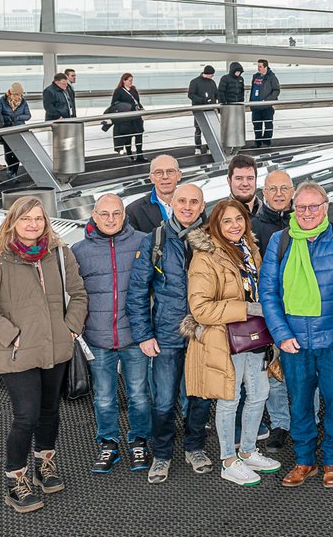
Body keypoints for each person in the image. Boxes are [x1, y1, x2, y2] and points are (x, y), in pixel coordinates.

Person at [0, 197, 87, 513]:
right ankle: (16, 481)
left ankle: (44, 465)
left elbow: (78, 294)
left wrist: (70, 328)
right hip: (17, 353)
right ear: (13, 221)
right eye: (26, 219)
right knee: (26, 416)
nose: (33, 224)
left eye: (38, 218)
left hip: (56, 349)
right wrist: (12, 336)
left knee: (50, 411)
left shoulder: (59, 254)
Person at [260, 182, 333, 488]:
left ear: (325, 207)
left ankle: (332, 460)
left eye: (313, 206)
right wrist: (281, 334)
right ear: (293, 209)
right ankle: (304, 460)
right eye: (301, 207)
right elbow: (268, 294)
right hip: (294, 343)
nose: (307, 213)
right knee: (299, 404)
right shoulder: (280, 241)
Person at [183, 199, 282, 486]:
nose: (234, 225)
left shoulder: (250, 250)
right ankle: (228, 460)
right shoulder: (206, 256)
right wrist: (247, 309)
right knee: (229, 399)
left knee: (259, 394)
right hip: (224, 340)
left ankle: (248, 451)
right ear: (216, 225)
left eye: (239, 219)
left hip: (255, 337)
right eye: (227, 221)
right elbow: (200, 308)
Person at [127, 183, 214, 484]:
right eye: (182, 201)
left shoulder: (213, 240)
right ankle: (162, 454)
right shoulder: (156, 240)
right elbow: (137, 291)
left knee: (200, 397)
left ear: (202, 206)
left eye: (194, 202)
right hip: (166, 334)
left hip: (204, 335)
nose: (188, 207)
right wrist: (143, 334)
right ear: (172, 204)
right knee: (163, 401)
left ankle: (195, 448)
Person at [73, 194, 151, 474]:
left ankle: (139, 440)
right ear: (94, 216)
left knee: (139, 394)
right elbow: (74, 294)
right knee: (104, 396)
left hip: (134, 336)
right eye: (104, 214)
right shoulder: (79, 251)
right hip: (98, 338)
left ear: (124, 215)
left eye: (116, 213)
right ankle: (108, 443)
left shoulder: (142, 242)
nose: (110, 219)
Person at [250, 169, 295, 450]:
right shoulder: (253, 227)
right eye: (272, 189)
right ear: (263, 193)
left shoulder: (306, 220)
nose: (279, 194)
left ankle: (309, 419)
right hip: (269, 309)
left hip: (301, 309)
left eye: (284, 188)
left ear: (293, 191)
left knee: (304, 371)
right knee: (274, 370)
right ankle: (280, 423)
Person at [125, 155, 181, 233]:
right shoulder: (134, 211)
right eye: (159, 172)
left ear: (179, 175)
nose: (165, 177)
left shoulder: (195, 205)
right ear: (151, 178)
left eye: (170, 171)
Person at [109, 73, 145, 162]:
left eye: (132, 80)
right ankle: (130, 155)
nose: (131, 82)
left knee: (139, 135)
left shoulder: (133, 89)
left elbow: (137, 101)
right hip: (127, 118)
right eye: (129, 80)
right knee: (128, 136)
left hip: (136, 116)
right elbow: (114, 104)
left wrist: (141, 108)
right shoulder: (118, 91)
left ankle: (140, 155)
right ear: (124, 81)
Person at [0, 82, 31, 176]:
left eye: (20, 95)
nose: (19, 97)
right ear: (11, 94)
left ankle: (14, 172)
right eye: (16, 95)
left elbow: (28, 115)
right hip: (7, 130)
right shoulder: (2, 101)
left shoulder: (23, 102)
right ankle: (10, 170)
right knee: (8, 152)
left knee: (18, 152)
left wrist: (18, 117)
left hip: (19, 130)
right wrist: (8, 118)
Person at [187, 65, 218, 155]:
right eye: (212, 74)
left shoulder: (212, 83)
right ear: (207, 73)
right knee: (198, 129)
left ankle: (209, 147)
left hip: (210, 109)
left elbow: (216, 94)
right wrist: (202, 100)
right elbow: (190, 94)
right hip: (198, 109)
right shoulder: (195, 82)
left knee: (210, 129)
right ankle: (198, 147)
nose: (212, 76)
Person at [250, 59, 281, 148]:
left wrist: (268, 100)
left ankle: (266, 142)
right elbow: (253, 90)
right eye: (258, 66)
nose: (258, 68)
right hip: (256, 106)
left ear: (265, 67)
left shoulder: (271, 77)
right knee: (256, 125)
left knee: (268, 124)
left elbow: (276, 90)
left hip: (266, 106)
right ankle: (258, 142)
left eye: (260, 66)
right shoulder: (255, 76)